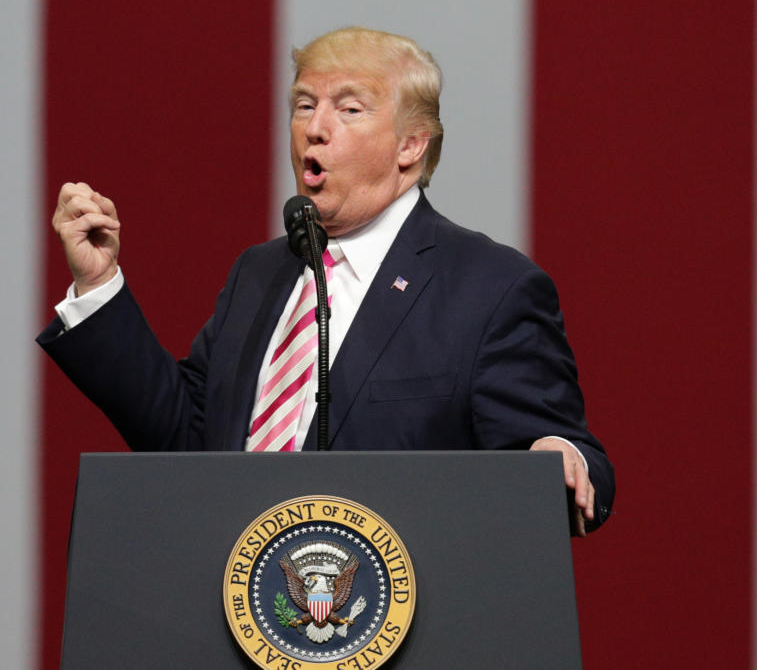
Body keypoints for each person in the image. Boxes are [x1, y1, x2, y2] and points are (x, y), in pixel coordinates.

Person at [37, 27, 614, 536]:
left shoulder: (489, 287)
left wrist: (558, 456)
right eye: (304, 104)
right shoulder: (259, 273)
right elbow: (188, 441)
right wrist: (100, 284)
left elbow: (559, 450)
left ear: (410, 145)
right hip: (236, 611)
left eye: (349, 109)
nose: (315, 128)